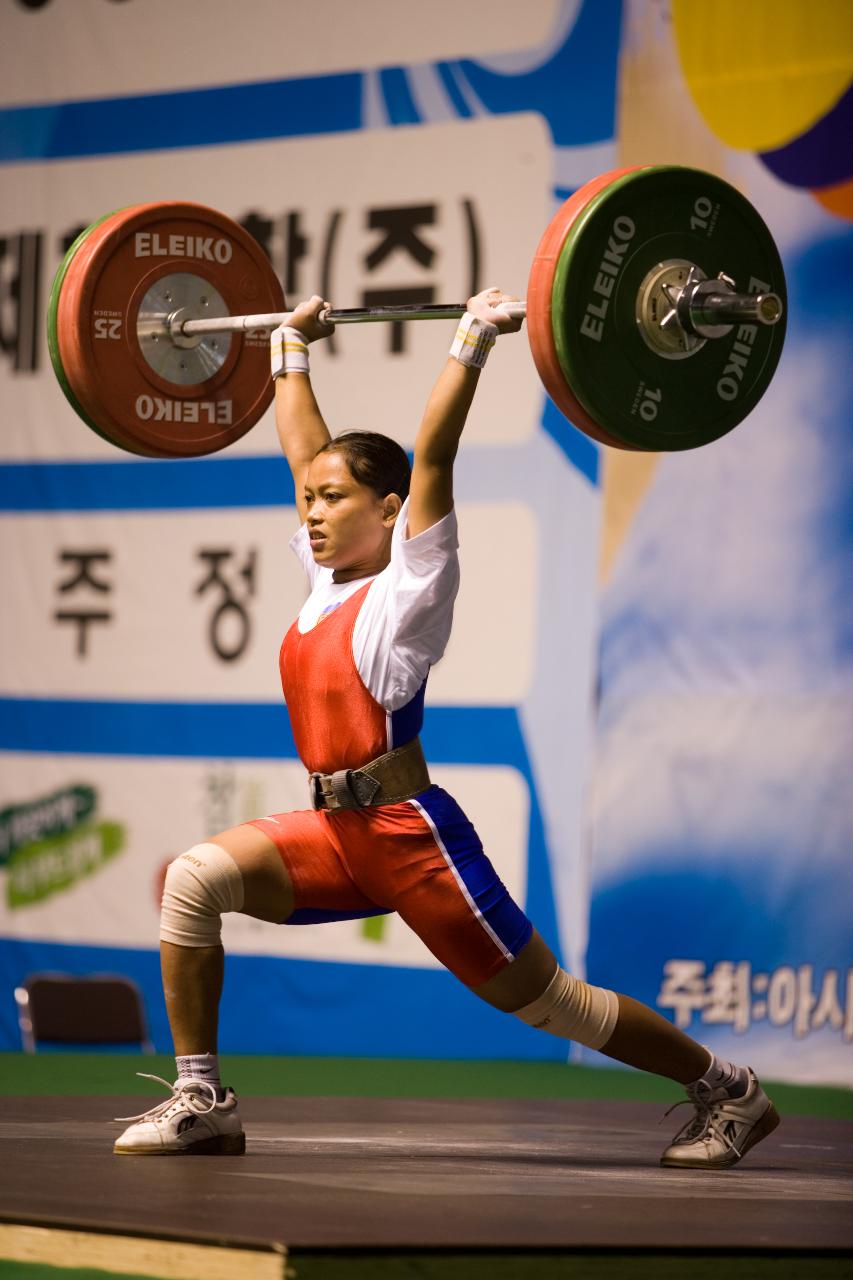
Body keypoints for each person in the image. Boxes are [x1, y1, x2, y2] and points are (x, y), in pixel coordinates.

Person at [114, 290, 779, 1169]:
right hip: (335, 831)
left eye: (332, 499)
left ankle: (728, 1092)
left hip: (409, 837)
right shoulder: (326, 587)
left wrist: (470, 341)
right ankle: (203, 1098)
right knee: (195, 883)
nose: (310, 512)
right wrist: (289, 350)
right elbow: (302, 449)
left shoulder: (409, 590)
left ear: (388, 511)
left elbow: (434, 457)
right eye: (307, 501)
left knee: (553, 1005)